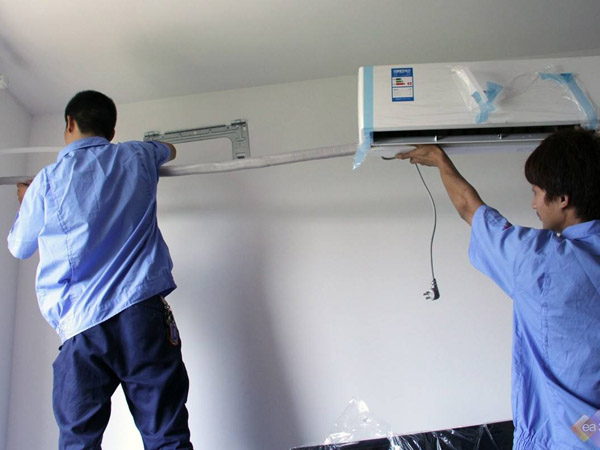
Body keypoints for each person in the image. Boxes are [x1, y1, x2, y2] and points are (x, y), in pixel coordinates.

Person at [7, 90, 194, 449]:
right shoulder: (137, 154)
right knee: (167, 436)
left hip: (82, 326)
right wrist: (154, 148)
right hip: (142, 318)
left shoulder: (47, 181)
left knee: (79, 442)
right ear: (112, 131)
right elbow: (169, 150)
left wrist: (27, 202)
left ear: (70, 123)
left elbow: (19, 247)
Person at [396, 128, 600, 449]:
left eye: (536, 192)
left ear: (563, 199)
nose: (533, 203)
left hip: (568, 437)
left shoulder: (541, 260)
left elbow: (470, 208)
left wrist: (440, 160)